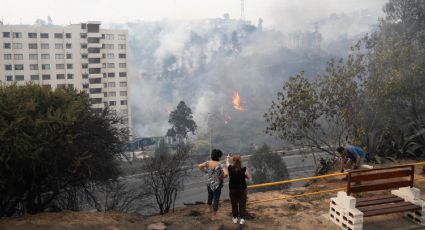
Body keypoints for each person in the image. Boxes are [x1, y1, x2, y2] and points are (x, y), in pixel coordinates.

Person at [198, 149, 227, 220]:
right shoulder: (220, 165)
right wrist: (220, 176)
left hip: (209, 182)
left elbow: (199, 166)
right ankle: (214, 216)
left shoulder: (208, 162)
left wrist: (207, 172)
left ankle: (209, 209)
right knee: (216, 199)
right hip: (217, 184)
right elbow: (226, 174)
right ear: (219, 157)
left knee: (210, 196)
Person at [224, 154, 251, 225]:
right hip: (242, 189)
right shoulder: (243, 168)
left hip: (233, 189)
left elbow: (227, 163)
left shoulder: (230, 168)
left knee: (234, 204)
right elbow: (248, 177)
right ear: (240, 161)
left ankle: (235, 218)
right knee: (242, 204)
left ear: (233, 161)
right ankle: (242, 219)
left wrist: (227, 158)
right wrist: (244, 173)